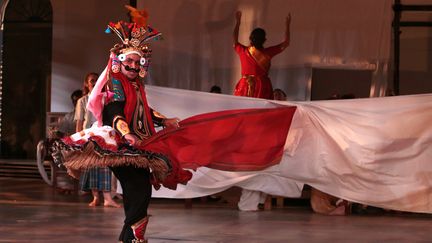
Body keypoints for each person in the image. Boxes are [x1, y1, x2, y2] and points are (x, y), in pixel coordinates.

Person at [74, 72, 121, 208]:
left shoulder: (105, 99)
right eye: (91, 81)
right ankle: (96, 197)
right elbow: (80, 122)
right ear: (86, 84)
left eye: (96, 80)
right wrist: (79, 140)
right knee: (92, 166)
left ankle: (107, 198)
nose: (94, 83)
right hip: (89, 135)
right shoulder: (82, 101)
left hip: (103, 135)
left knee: (105, 165)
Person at [233, 11, 291, 99]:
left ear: (250, 39)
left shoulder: (243, 51)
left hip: (245, 85)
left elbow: (234, 41)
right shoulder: (268, 53)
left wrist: (238, 23)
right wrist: (287, 25)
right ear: (264, 40)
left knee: (244, 109)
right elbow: (286, 43)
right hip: (262, 86)